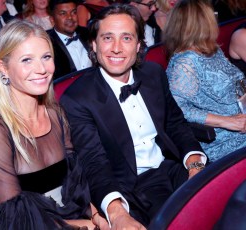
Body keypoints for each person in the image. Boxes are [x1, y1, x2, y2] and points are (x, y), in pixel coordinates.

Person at [60, 3, 205, 229]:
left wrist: (196, 166)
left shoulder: (153, 74)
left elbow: (176, 124)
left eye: (126, 38)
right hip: (133, 186)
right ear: (94, 44)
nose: (116, 48)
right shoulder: (77, 99)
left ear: (138, 45)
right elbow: (94, 163)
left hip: (175, 166)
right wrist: (116, 213)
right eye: (107, 38)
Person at [0, 19, 109, 229]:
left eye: (46, 57)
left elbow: (76, 186)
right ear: (3, 67)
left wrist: (97, 216)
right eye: (27, 60)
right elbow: (18, 218)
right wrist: (81, 225)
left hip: (73, 217)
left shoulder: (56, 114)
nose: (41, 69)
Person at [164, 0, 246, 162]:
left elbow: (236, 85)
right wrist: (227, 122)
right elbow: (178, 110)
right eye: (211, 17)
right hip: (226, 139)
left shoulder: (212, 50)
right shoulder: (185, 63)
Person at [47, 0, 92, 80]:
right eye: (63, 13)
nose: (70, 17)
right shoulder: (47, 43)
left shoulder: (89, 33)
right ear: (52, 20)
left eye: (73, 12)